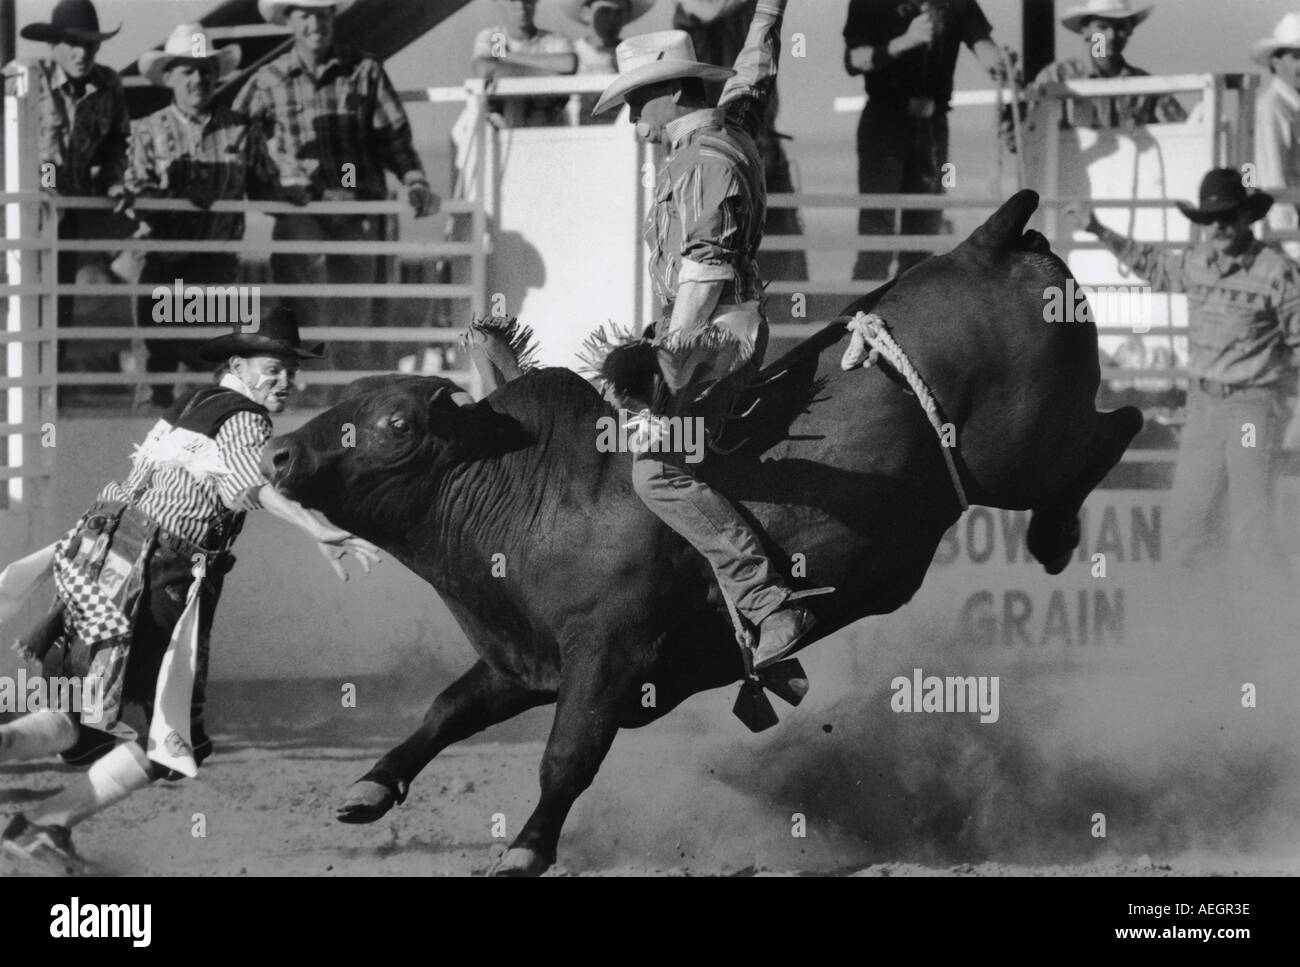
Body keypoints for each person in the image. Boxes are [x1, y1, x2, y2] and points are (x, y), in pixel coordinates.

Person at [0, 307, 379, 874]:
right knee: (175, 737)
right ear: (238, 366)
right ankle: (42, 825)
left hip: (102, 552)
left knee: (79, 709)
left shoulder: (192, 404)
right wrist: (314, 527)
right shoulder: (247, 420)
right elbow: (252, 483)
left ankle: (37, 822)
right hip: (160, 570)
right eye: (273, 369)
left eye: (291, 371)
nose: (285, 382)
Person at [591, 0, 814, 669]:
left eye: (635, 102)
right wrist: (768, 10)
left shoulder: (698, 164)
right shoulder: (732, 128)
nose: (632, 119)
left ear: (665, 94)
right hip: (714, 329)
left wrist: (663, 375)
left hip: (713, 336)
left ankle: (768, 602)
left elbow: (704, 270)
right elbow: (755, 71)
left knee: (657, 470)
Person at [1066, 169, 1300, 570]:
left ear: (1247, 216)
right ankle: (1200, 615)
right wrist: (1096, 228)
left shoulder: (1276, 272)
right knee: (1186, 524)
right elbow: (1151, 264)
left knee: (1250, 523)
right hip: (1205, 404)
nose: (1220, 226)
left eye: (1228, 216)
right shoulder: (1198, 262)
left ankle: (1264, 619)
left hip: (1253, 406)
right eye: (1212, 219)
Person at [234, 0, 438, 383]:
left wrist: (414, 179)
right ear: (290, 20)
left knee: (356, 314)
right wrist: (273, 184)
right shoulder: (268, 79)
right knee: (301, 308)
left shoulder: (363, 71)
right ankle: (307, 392)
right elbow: (235, 139)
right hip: (301, 212)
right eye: (306, 14)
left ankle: (350, 397)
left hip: (358, 210)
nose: (316, 23)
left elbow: (393, 136)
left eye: (324, 13)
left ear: (333, 18)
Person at [127, 24, 292, 408]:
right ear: (169, 77)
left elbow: (268, 188)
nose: (198, 79)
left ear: (217, 75)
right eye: (187, 70)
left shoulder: (241, 131)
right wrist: (182, 196)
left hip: (219, 266)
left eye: (205, 70)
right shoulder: (146, 131)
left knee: (221, 379)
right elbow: (134, 193)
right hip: (162, 267)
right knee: (157, 378)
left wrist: (299, 189)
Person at [2, 0, 131, 371]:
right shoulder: (24, 77)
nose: (82, 52)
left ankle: (48, 403)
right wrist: (47, 185)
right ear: (54, 45)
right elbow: (40, 160)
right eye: (74, 43)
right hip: (18, 212)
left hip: (67, 215)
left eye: (90, 44)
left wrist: (113, 183)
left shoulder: (108, 85)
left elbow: (115, 144)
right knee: (17, 303)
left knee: (57, 310)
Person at [843, 0, 1008, 282]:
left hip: (932, 127)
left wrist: (1001, 63)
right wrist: (904, 42)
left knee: (922, 238)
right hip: (885, 123)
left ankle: (906, 319)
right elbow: (854, 60)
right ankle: (860, 320)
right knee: (877, 237)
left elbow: (983, 44)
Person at [674, 0, 805, 284]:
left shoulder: (735, 11)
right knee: (719, 246)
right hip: (718, 147)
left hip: (754, 142)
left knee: (777, 246)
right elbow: (700, 12)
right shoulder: (697, 11)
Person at [1014, 0, 1185, 142]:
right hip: (1069, 175)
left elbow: (1183, 128)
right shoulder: (1056, 77)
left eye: (1120, 27)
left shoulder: (1145, 85)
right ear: (1085, 31)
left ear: (1129, 30)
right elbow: (1026, 135)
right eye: (1103, 27)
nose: (1111, 35)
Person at [473, 0, 579, 128]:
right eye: (513, 1)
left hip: (545, 124)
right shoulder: (496, 36)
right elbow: (487, 70)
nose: (521, 7)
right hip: (502, 122)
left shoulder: (553, 40)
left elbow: (568, 64)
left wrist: (508, 56)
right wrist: (549, 72)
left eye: (527, 1)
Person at [1252, 12, 1300, 261]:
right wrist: (1294, 249)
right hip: (1289, 239)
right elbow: (1274, 181)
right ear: (1276, 62)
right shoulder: (1272, 108)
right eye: (1297, 56)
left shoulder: (1291, 106)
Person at [564, 0, 655, 125]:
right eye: (604, 11)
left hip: (624, 132)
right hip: (579, 133)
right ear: (585, 13)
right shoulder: (571, 52)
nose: (612, 18)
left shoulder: (636, 55)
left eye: (618, 12)